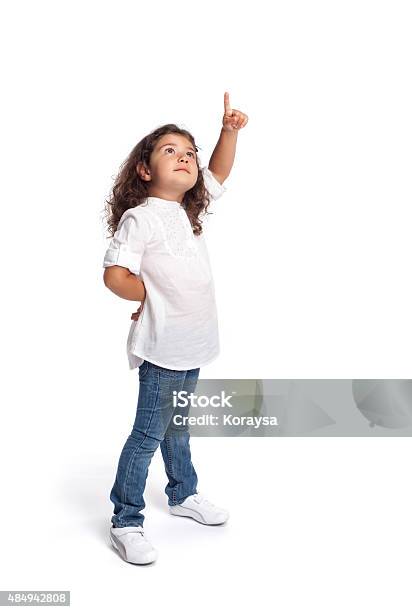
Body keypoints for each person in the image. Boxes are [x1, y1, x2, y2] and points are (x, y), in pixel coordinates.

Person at [102, 92, 248, 565]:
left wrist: (228, 131)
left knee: (178, 427)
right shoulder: (141, 217)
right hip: (164, 349)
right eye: (170, 151)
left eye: (189, 152)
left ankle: (183, 494)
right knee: (147, 434)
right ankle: (126, 519)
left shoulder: (185, 213)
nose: (185, 157)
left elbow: (219, 173)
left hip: (195, 344)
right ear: (144, 171)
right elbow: (115, 275)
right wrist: (149, 297)